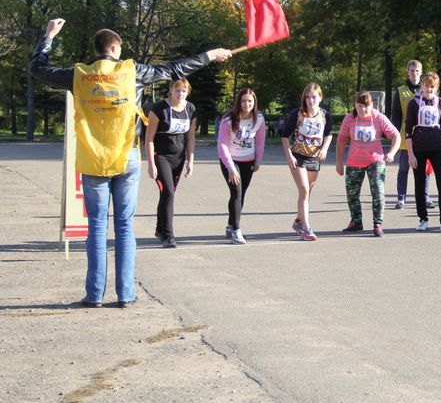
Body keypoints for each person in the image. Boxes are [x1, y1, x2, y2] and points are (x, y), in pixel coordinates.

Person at [29, 18, 231, 308]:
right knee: (124, 226)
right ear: (114, 47)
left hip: (93, 160)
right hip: (126, 157)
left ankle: (95, 295)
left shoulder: (79, 75)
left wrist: (48, 35)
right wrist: (210, 55)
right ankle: (125, 294)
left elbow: (38, 68)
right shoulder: (131, 72)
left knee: (96, 228)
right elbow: (174, 69)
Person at [335, 91, 402, 237]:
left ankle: (377, 224)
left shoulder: (378, 118)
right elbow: (341, 140)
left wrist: (391, 153)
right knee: (352, 193)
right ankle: (356, 221)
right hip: (354, 161)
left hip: (375, 161)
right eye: (360, 106)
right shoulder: (349, 119)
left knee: (378, 190)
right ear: (355, 105)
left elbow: (396, 135)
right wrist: (339, 162)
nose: (363, 110)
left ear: (372, 105)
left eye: (367, 106)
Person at [145, 79, 197, 248]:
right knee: (168, 192)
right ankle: (168, 235)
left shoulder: (190, 109)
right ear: (170, 91)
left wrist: (190, 160)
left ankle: (160, 229)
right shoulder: (159, 109)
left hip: (179, 158)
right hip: (161, 156)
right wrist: (151, 163)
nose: (180, 94)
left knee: (167, 194)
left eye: (184, 91)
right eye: (177, 90)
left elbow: (190, 137)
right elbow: (149, 138)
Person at [281, 83, 333, 241]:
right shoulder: (297, 114)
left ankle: (298, 220)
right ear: (304, 99)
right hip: (298, 157)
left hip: (314, 158)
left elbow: (329, 134)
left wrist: (324, 149)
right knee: (303, 190)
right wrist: (289, 156)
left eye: (314, 97)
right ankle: (306, 228)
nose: (311, 100)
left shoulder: (325, 115)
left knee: (307, 193)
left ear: (320, 98)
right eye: (308, 97)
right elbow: (284, 136)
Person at [406, 72, 441, 233]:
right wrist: (411, 154)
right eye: (426, 86)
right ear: (422, 86)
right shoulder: (413, 104)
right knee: (419, 185)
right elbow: (408, 131)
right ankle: (423, 219)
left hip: (437, 147)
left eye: (432, 86)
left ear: (436, 87)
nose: (429, 89)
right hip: (419, 148)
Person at [217, 88, 266, 245]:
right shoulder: (228, 120)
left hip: (248, 161)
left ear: (254, 103)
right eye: (244, 101)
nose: (247, 104)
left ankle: (231, 224)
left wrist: (258, 160)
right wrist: (230, 167)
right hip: (231, 161)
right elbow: (222, 144)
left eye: (250, 101)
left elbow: (260, 140)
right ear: (239, 102)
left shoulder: (258, 119)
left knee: (241, 194)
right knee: (236, 192)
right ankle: (237, 231)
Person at [390, 59, 433, 210]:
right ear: (407, 72)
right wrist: (394, 134)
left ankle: (425, 197)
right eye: (411, 71)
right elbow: (395, 114)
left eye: (417, 71)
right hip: (404, 135)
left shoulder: (426, 90)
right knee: (403, 169)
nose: (414, 73)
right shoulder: (401, 90)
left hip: (423, 136)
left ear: (421, 73)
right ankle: (401, 198)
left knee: (424, 169)